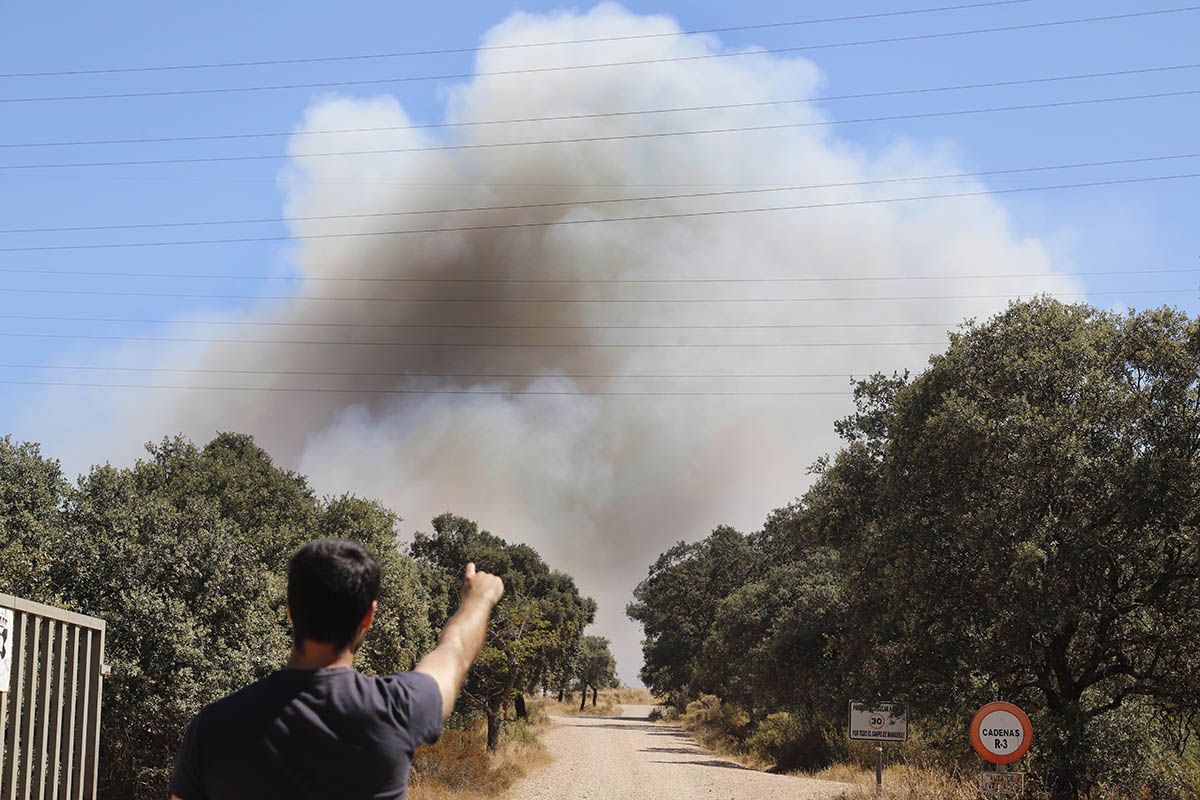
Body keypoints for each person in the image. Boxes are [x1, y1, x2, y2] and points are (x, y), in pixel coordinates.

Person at [169, 538, 504, 800]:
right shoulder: (396, 709)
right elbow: (455, 653)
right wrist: (478, 601)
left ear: (290, 611)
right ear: (369, 617)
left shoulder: (212, 726)